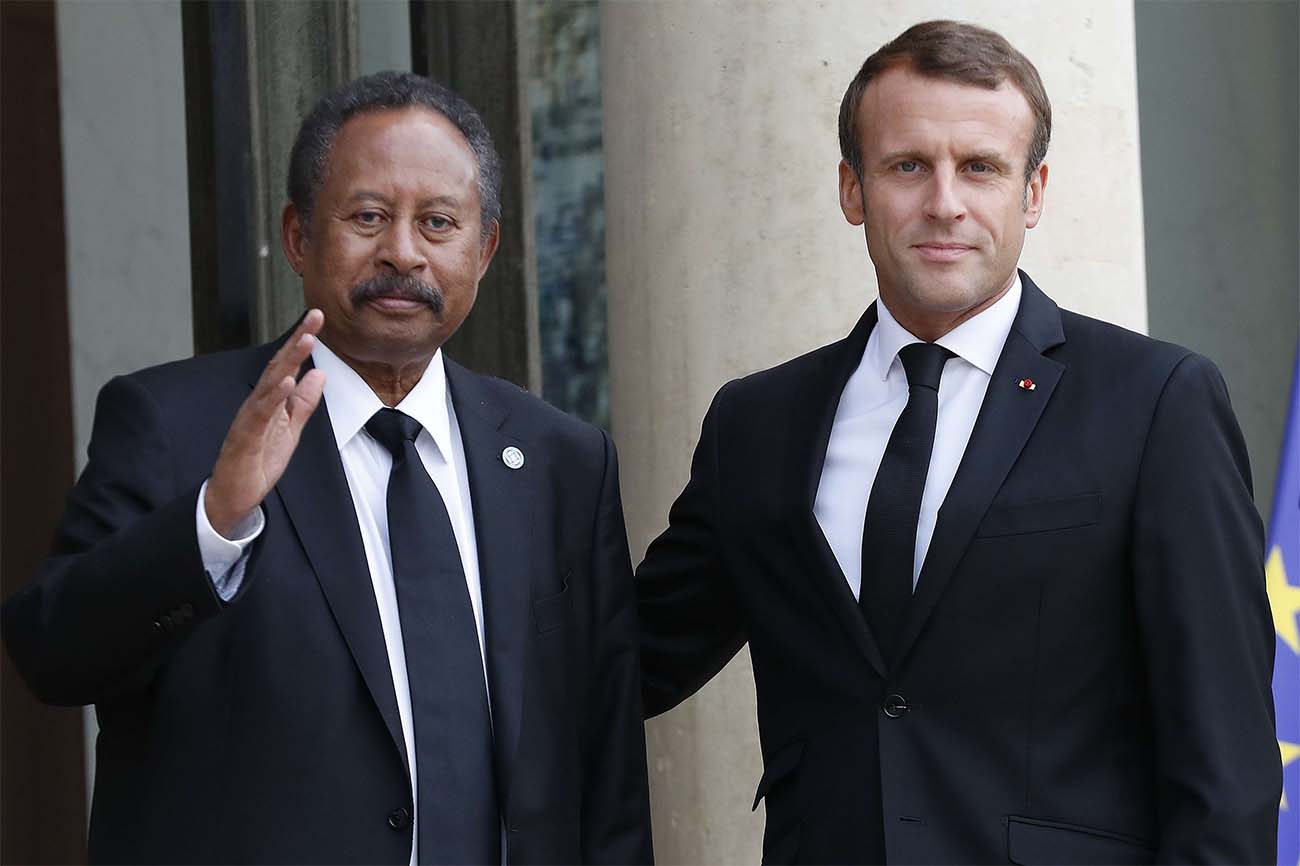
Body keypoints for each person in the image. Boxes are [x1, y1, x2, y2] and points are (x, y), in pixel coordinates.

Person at [635, 20, 1280, 864]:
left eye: (980, 167)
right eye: (908, 166)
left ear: (1033, 192)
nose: (945, 203)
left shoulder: (1156, 403)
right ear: (852, 189)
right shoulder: (757, 425)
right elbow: (624, 664)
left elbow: (1225, 760)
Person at [2, 71, 652, 865]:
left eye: (439, 222)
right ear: (300, 235)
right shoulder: (177, 425)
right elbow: (51, 653)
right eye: (368, 216)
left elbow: (608, 766)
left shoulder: (562, 463)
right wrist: (212, 524)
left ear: (484, 251)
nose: (402, 252)